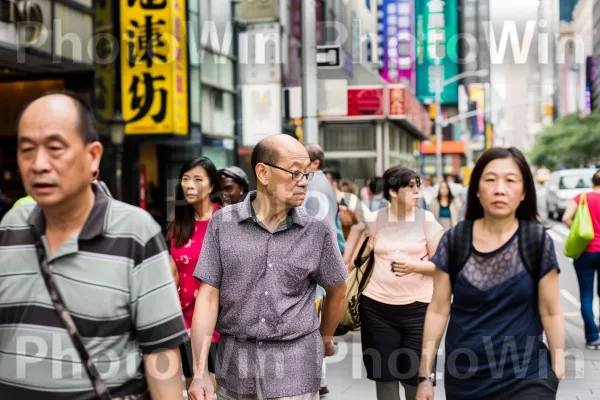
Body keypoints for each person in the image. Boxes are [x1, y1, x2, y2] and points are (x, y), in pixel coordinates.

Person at [0, 91, 187, 398]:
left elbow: (161, 353)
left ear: (93, 156)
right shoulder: (10, 226)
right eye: (27, 150)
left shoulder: (135, 233)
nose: (39, 164)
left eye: (55, 148)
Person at [188, 134, 348, 400]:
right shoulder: (222, 224)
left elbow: (337, 288)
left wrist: (325, 338)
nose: (304, 183)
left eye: (307, 174)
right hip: (235, 370)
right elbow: (207, 296)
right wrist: (200, 370)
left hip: (295, 370)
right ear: (262, 172)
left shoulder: (316, 230)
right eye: (295, 173)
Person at [416, 147, 565, 400]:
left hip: (527, 375)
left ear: (524, 191)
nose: (500, 189)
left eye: (510, 180)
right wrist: (424, 377)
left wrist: (557, 369)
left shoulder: (536, 241)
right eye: (490, 179)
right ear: (476, 188)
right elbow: (439, 308)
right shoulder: (455, 240)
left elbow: (550, 310)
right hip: (465, 375)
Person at [357, 166, 444, 400]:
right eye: (411, 187)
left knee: (415, 380)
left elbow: (442, 267)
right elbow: (358, 263)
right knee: (384, 379)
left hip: (419, 310)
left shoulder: (426, 220)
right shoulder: (375, 220)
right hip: (377, 308)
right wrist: (367, 246)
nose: (417, 192)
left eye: (418, 187)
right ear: (393, 191)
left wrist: (414, 266)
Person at [168, 157, 224, 390]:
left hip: (219, 322)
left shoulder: (226, 222)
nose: (189, 185)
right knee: (195, 388)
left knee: (214, 387)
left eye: (197, 179)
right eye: (185, 179)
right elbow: (172, 276)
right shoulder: (177, 226)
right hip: (186, 323)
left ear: (211, 186)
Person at [303, 144, 344, 396]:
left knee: (316, 317)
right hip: (321, 261)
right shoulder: (320, 184)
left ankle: (318, 378)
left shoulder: (316, 187)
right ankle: (320, 378)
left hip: (318, 264)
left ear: (315, 164)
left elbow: (321, 230)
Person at [562, 169, 600, 350]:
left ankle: (593, 337)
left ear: (592, 181)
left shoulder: (582, 197)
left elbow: (566, 218)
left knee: (586, 296)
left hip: (586, 252)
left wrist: (577, 232)